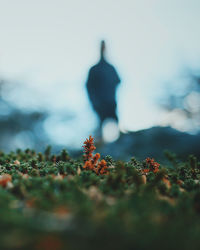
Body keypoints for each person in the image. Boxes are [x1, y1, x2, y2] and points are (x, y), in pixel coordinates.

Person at [86, 40, 121, 136]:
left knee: (115, 123)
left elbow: (118, 81)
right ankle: (99, 146)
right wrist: (95, 101)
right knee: (100, 126)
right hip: (100, 103)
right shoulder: (94, 69)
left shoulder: (110, 68)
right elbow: (89, 87)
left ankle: (119, 143)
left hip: (111, 102)